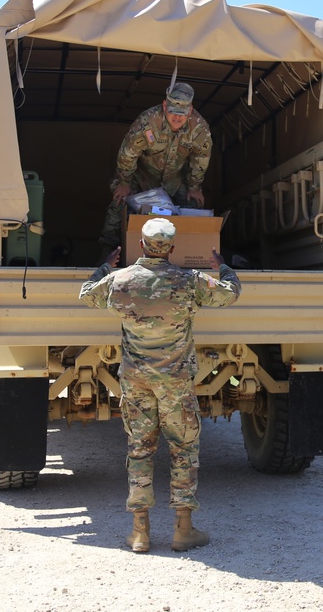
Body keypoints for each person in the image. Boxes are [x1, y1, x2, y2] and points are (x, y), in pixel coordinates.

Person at [79, 218, 241, 553]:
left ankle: (140, 532)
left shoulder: (119, 281)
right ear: (171, 248)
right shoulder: (188, 281)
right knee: (184, 450)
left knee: (140, 450)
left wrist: (104, 267)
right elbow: (230, 294)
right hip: (176, 384)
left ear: (141, 245)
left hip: (136, 381)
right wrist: (224, 267)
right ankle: (183, 529)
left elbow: (86, 295)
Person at [98, 82, 213, 254]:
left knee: (193, 206)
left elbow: (201, 158)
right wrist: (125, 182)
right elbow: (128, 153)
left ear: (190, 111)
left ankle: (187, 255)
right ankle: (107, 252)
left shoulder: (199, 129)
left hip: (173, 180)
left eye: (182, 114)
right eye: (173, 111)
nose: (177, 118)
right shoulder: (147, 122)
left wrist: (194, 187)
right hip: (140, 175)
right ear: (165, 105)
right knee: (119, 201)